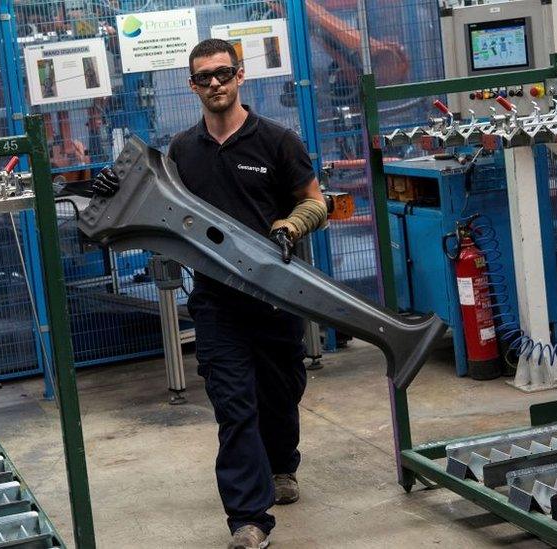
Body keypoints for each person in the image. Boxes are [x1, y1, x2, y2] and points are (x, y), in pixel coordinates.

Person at [71, 39, 328, 549]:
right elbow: (148, 204)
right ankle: (248, 520)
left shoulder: (278, 141)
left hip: (276, 296)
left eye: (222, 73)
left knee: (280, 395)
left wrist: (288, 228)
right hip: (216, 302)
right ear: (192, 86)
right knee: (234, 406)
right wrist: (105, 190)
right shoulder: (183, 152)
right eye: (203, 77)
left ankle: (282, 464)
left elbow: (314, 202)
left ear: (239, 77)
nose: (214, 83)